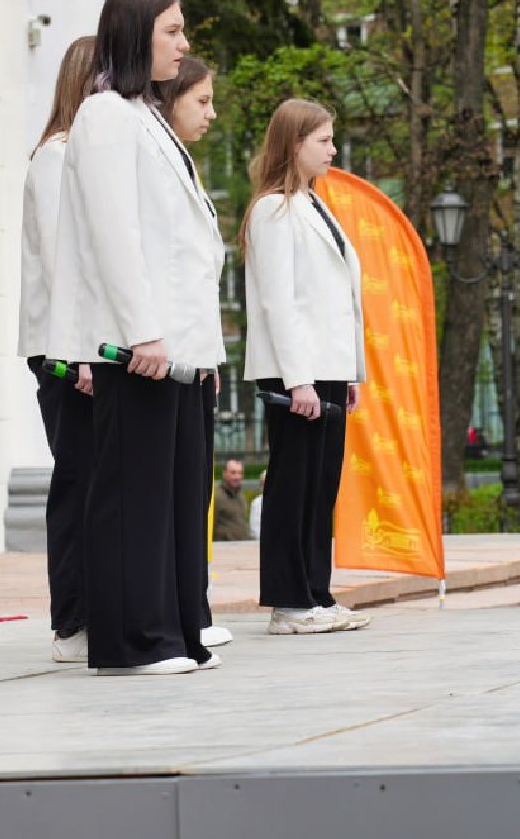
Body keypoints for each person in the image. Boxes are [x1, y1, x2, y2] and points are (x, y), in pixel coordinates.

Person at [45, 0, 225, 675]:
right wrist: (140, 329)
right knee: (133, 497)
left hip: (176, 343)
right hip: (139, 345)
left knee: (175, 497)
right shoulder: (103, 117)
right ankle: (130, 639)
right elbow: (113, 232)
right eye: (172, 32)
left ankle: (175, 628)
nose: (183, 45)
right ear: (136, 32)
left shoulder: (143, 116)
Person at [241, 99, 369, 635]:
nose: (333, 150)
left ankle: (317, 592)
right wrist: (300, 379)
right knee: (293, 483)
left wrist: (350, 371)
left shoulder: (317, 205)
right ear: (295, 144)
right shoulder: (273, 210)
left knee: (322, 485)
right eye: (323, 140)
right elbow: (279, 301)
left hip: (327, 369)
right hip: (298, 373)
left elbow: (340, 297)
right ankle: (289, 601)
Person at [19, 35, 99, 664]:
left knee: (99, 481)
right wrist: (76, 356)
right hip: (63, 352)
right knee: (77, 480)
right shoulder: (56, 156)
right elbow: (60, 258)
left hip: (91, 349)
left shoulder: (89, 156)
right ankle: (71, 620)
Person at [157, 56, 233, 650]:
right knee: (163, 499)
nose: (211, 113)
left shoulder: (183, 161)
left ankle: (190, 611)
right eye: (201, 101)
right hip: (156, 350)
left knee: (189, 497)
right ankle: (166, 617)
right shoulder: (143, 146)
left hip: (191, 352)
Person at [212, 459, 252, 542]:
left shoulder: (241, 496)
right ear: (224, 473)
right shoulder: (216, 497)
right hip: (223, 549)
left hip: (242, 548)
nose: (237, 477)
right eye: (233, 472)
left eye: (240, 473)